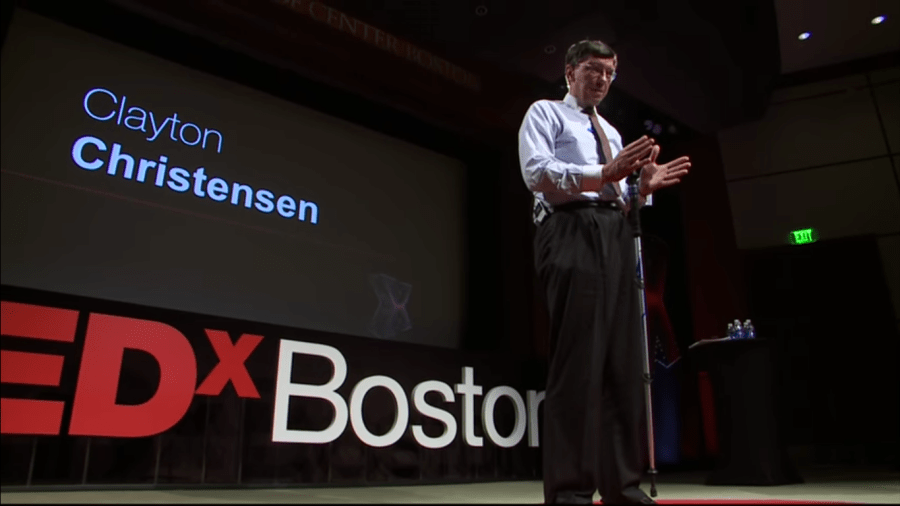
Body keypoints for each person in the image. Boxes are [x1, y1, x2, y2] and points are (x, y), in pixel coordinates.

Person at [518, 39, 691, 504]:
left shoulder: (612, 131)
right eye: (594, 69)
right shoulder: (545, 113)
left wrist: (642, 190)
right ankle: (570, 492)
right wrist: (604, 172)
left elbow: (619, 195)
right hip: (570, 229)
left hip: (617, 235)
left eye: (610, 72)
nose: (602, 79)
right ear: (570, 71)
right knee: (579, 364)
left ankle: (623, 487)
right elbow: (537, 174)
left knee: (622, 365)